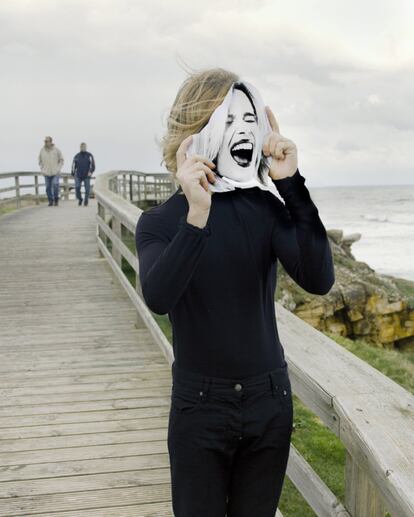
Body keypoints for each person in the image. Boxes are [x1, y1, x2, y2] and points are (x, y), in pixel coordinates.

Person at [135, 67, 335, 517]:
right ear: (194, 132)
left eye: (249, 120)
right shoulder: (161, 223)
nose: (241, 130)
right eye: (227, 120)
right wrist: (197, 212)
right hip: (199, 408)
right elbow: (159, 296)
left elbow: (319, 277)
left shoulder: (264, 207)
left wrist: (290, 182)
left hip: (269, 401)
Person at [38, 136, 64, 206]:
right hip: (46, 172)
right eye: (45, 141)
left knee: (55, 184)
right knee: (48, 187)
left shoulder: (56, 150)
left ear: (51, 142)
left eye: (47, 141)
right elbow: (40, 161)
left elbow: (61, 160)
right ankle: (50, 200)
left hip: (55, 172)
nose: (45, 142)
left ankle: (56, 198)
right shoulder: (42, 150)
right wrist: (42, 169)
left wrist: (58, 168)